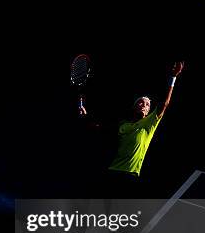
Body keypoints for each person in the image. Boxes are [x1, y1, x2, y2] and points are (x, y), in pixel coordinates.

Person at [79, 61, 185, 197]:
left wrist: (173, 77)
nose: (143, 104)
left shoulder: (149, 123)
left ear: (148, 111)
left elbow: (165, 103)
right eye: (140, 102)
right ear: (134, 106)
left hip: (130, 174)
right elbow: (100, 128)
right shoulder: (123, 124)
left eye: (147, 104)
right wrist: (86, 116)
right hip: (111, 170)